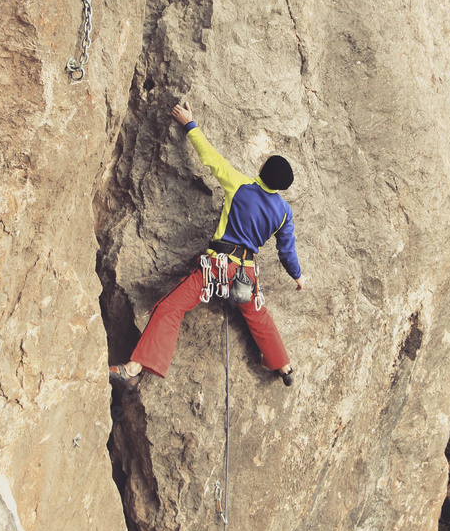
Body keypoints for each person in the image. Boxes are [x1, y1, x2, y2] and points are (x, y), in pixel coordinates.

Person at [109, 101, 304, 388]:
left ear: (263, 169)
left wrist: (190, 123)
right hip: (246, 275)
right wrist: (298, 276)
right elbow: (286, 250)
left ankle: (133, 369)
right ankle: (283, 366)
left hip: (216, 268)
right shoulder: (284, 212)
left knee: (169, 307)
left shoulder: (239, 184)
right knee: (257, 315)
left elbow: (209, 157)